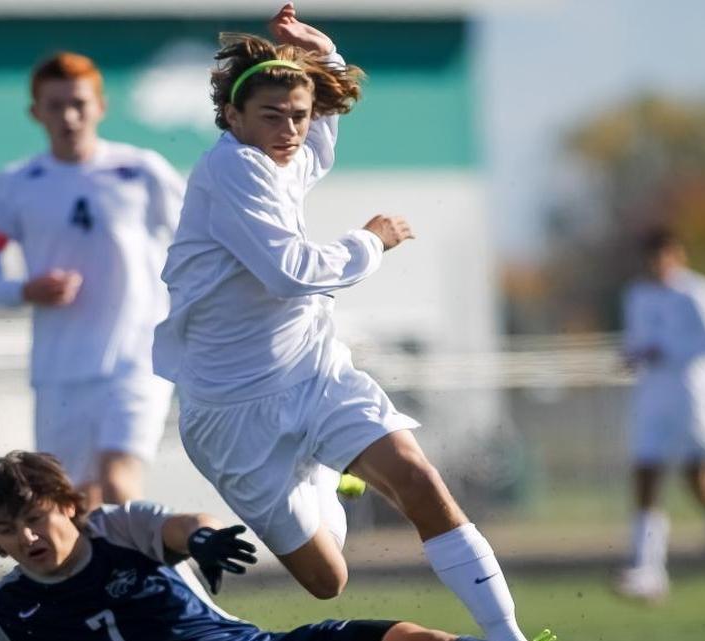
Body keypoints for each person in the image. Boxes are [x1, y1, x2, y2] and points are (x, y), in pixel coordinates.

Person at [152, 6, 537, 641]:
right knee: (328, 580)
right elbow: (290, 272)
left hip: (313, 372)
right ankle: (328, 470)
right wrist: (371, 241)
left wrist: (324, 52)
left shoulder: (280, 154)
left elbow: (319, 145)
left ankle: (506, 637)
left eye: (297, 115)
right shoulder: (231, 169)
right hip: (230, 411)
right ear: (232, 117)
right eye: (271, 116)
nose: (289, 129)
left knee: (418, 478)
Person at [0, 450, 538, 641]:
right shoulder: (2, 610)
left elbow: (180, 525)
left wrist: (205, 540)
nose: (28, 538)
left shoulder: (113, 530)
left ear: (67, 504)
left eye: (36, 519)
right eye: (8, 531)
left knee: (406, 637)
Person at [0, 51, 182, 507]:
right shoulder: (17, 182)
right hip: (60, 368)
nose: (69, 116)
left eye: (79, 103)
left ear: (101, 106)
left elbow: (195, 247)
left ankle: (164, 579)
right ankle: (109, 578)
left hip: (137, 357)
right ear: (35, 112)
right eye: (55, 105)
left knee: (118, 483)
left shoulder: (141, 171)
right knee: (72, 501)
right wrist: (25, 289)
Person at [617, 227, 705, 600]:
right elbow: (634, 341)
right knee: (646, 475)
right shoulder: (637, 294)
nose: (655, 264)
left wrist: (668, 350)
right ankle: (649, 570)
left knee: (700, 478)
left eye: (661, 255)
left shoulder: (698, 291)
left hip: (692, 396)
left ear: (677, 255)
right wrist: (632, 355)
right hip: (652, 397)